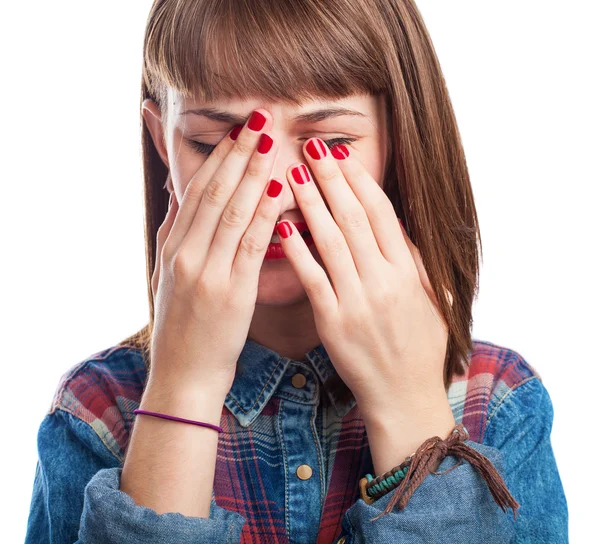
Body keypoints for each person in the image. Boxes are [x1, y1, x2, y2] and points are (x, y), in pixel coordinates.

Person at [25, 0, 568, 542]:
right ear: (162, 143)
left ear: (398, 143)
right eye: (216, 145)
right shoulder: (96, 413)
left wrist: (407, 404)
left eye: (328, 145)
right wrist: (182, 387)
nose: (275, 191)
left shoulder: (498, 403)